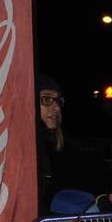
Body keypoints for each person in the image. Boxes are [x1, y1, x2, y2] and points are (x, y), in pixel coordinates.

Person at [36, 74, 66, 213]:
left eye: (59, 101)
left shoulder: (53, 146)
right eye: (47, 100)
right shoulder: (22, 147)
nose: (56, 108)